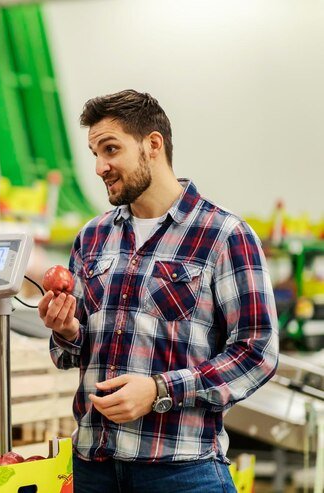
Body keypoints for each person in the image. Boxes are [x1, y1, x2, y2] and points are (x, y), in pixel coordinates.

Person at [38, 90, 278, 492]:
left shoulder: (223, 235)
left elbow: (257, 351)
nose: (99, 167)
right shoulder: (92, 237)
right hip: (92, 467)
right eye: (94, 153)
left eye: (110, 149)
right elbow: (72, 354)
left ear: (153, 144)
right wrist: (65, 331)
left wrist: (159, 390)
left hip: (182, 471)